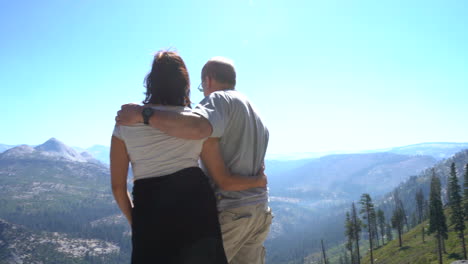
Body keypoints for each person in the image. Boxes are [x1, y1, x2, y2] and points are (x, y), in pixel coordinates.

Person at [110, 51, 266, 264]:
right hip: (200, 205)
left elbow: (118, 187)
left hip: (150, 206)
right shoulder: (192, 117)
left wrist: (137, 222)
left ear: (151, 81)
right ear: (184, 82)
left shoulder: (126, 123)